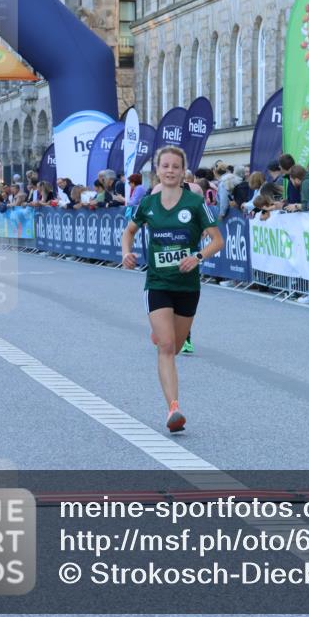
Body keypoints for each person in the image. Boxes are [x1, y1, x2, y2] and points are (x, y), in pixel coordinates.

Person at [121, 146, 224, 433]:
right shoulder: (148, 204)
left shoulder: (194, 203)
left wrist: (198, 257)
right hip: (158, 283)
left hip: (187, 286)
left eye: (174, 167)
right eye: (164, 166)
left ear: (182, 172)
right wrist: (126, 253)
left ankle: (162, 332)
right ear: (157, 170)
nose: (169, 170)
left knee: (175, 347)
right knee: (166, 347)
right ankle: (173, 409)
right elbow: (129, 231)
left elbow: (217, 240)